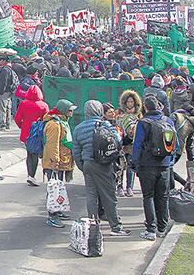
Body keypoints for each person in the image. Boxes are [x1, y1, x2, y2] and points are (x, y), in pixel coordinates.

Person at [71, 100, 130, 236]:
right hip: (104, 165)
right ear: (99, 111)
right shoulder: (105, 125)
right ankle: (115, 227)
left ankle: (93, 227)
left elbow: (76, 151)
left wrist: (83, 166)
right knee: (109, 196)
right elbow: (117, 141)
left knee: (91, 195)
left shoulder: (78, 128)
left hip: (88, 164)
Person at [130, 96, 175, 241]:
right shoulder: (168, 121)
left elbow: (137, 145)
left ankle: (151, 229)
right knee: (163, 197)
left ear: (145, 107)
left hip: (147, 164)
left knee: (148, 196)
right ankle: (162, 227)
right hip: (165, 164)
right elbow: (176, 144)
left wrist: (135, 163)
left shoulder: (143, 123)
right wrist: (170, 161)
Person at [42, 99, 75, 228]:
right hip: (54, 162)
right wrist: (54, 162)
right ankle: (52, 215)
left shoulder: (63, 122)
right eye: (70, 110)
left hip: (62, 161)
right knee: (53, 189)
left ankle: (58, 210)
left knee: (59, 188)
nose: (72, 112)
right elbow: (52, 145)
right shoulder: (54, 125)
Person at [14, 79, 48, 186]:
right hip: (38, 134)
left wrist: (22, 127)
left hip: (26, 134)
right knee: (34, 154)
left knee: (30, 154)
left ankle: (30, 175)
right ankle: (31, 176)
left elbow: (17, 119)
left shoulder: (23, 104)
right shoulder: (43, 105)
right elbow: (46, 120)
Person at [117, 89, 143, 197]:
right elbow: (117, 129)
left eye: (132, 102)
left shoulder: (139, 117)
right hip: (123, 144)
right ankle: (120, 187)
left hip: (133, 146)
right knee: (121, 166)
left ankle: (129, 187)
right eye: (128, 102)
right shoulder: (120, 117)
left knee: (130, 167)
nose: (130, 104)